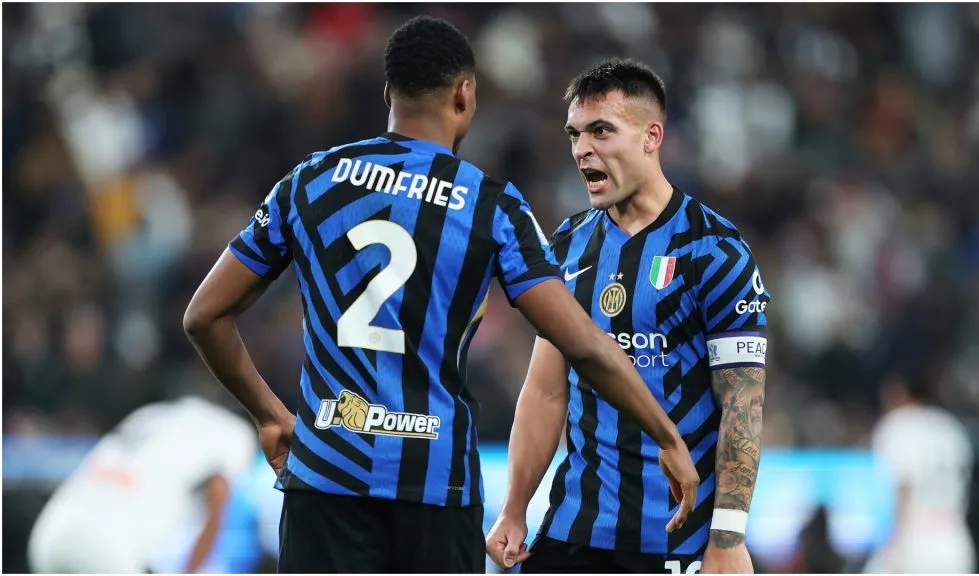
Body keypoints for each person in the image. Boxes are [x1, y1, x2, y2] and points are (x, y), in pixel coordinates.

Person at [183, 17, 700, 574]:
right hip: (434, 485)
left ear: (389, 94)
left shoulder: (311, 181)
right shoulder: (489, 206)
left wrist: (268, 413)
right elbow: (584, 345)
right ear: (464, 92)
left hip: (325, 477)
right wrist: (666, 434)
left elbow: (204, 316)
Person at [486, 58, 770, 574]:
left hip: (675, 541)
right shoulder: (567, 246)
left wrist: (727, 538)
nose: (581, 150)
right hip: (574, 531)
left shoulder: (714, 249)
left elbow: (743, 403)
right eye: (574, 134)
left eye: (601, 131)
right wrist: (514, 507)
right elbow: (546, 390)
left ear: (651, 136)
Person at [27, 396, 258, 573]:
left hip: (49, 536)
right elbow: (219, 496)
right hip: (111, 549)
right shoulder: (235, 432)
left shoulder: (152, 413)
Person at [863, 373, 975, 574]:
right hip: (955, 538)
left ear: (904, 393)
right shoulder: (951, 427)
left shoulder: (899, 424)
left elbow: (903, 486)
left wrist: (895, 547)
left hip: (914, 538)